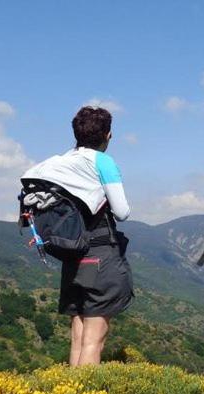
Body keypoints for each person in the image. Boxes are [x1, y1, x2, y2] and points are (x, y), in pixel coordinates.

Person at [22, 106, 133, 366]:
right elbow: (122, 211)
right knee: (94, 341)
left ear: (76, 133)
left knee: (78, 338)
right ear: (108, 135)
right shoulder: (102, 161)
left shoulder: (57, 163)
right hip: (99, 255)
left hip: (71, 256)